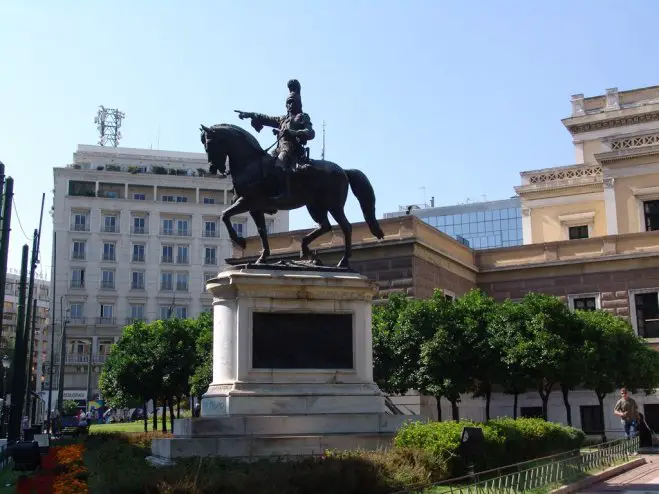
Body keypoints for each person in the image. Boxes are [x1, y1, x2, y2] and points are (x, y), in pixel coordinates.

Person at [237, 79, 316, 202]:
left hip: (292, 148)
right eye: (288, 103)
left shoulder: (302, 117)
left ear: (298, 104)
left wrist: (293, 132)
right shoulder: (282, 119)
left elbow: (311, 133)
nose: (290, 105)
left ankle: (285, 192)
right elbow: (265, 118)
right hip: (279, 148)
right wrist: (249, 114)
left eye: (292, 102)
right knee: (265, 162)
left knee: (279, 163)